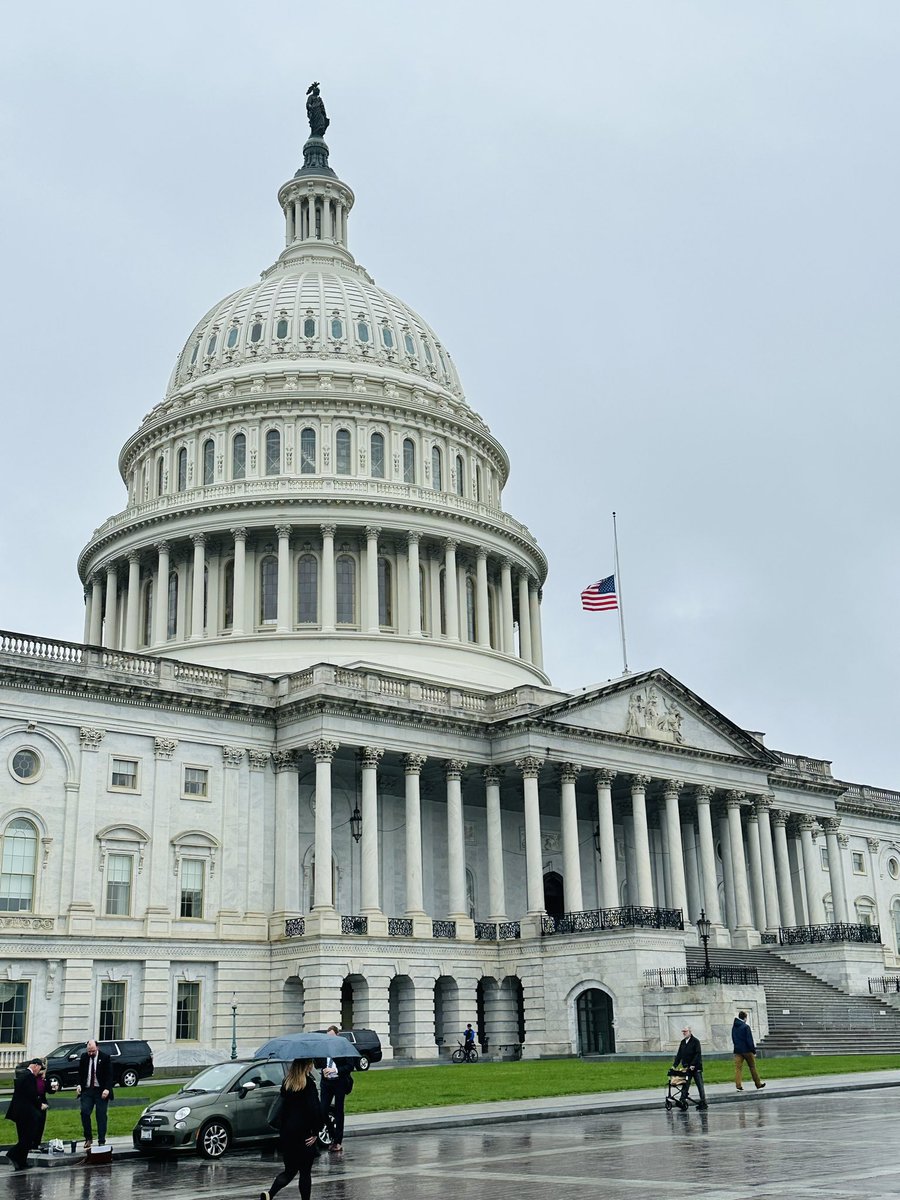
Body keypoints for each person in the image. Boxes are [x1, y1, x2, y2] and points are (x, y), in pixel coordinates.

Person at [260, 1058, 322, 1200]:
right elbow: (315, 1110)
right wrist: (316, 1132)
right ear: (307, 1066)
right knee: (305, 1173)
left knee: (289, 1171)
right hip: (305, 1134)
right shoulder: (309, 1085)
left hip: (288, 1134)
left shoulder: (287, 1084)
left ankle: (270, 1194)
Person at [4, 1059, 47, 1170]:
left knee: (23, 1136)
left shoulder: (23, 1074)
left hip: (18, 1112)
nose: (39, 1071)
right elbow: (31, 1094)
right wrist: (40, 1105)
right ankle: (12, 1153)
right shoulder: (30, 1077)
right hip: (26, 1112)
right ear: (36, 1066)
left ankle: (22, 1162)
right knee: (28, 1137)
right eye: (40, 1069)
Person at [319, 1024, 354, 1153]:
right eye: (328, 1037)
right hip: (326, 1083)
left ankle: (338, 1141)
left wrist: (335, 1070)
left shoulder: (344, 1047)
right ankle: (333, 1134)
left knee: (339, 1111)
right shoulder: (324, 1048)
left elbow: (350, 1066)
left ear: (337, 1035)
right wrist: (323, 1071)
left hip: (339, 1082)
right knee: (322, 1110)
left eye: (332, 1036)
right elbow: (319, 1063)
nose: (330, 1040)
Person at [76, 1039, 114, 1148]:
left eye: (93, 1051)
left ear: (97, 1048)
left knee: (101, 1115)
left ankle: (101, 1140)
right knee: (84, 1112)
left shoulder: (105, 1058)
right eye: (89, 1051)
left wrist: (107, 1089)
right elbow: (80, 1073)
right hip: (87, 1090)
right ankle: (88, 1138)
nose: (91, 1054)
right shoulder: (84, 1057)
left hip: (101, 1090)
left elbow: (109, 1075)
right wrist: (79, 1085)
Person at [672, 1025, 707, 1109]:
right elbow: (679, 1054)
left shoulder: (695, 1041)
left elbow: (697, 1054)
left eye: (685, 1031)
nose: (684, 1033)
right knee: (685, 1084)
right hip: (686, 1068)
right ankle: (682, 1100)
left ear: (690, 1032)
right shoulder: (683, 1042)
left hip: (696, 1068)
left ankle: (703, 1102)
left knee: (699, 1085)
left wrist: (693, 1065)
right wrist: (674, 1065)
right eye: (683, 1031)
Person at [732, 1010, 766, 1091]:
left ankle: (738, 1085)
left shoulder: (734, 1027)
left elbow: (733, 1038)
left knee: (738, 1069)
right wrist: (753, 1051)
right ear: (745, 1018)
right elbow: (749, 1040)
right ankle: (758, 1084)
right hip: (747, 1050)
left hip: (737, 1050)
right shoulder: (746, 1027)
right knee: (752, 1067)